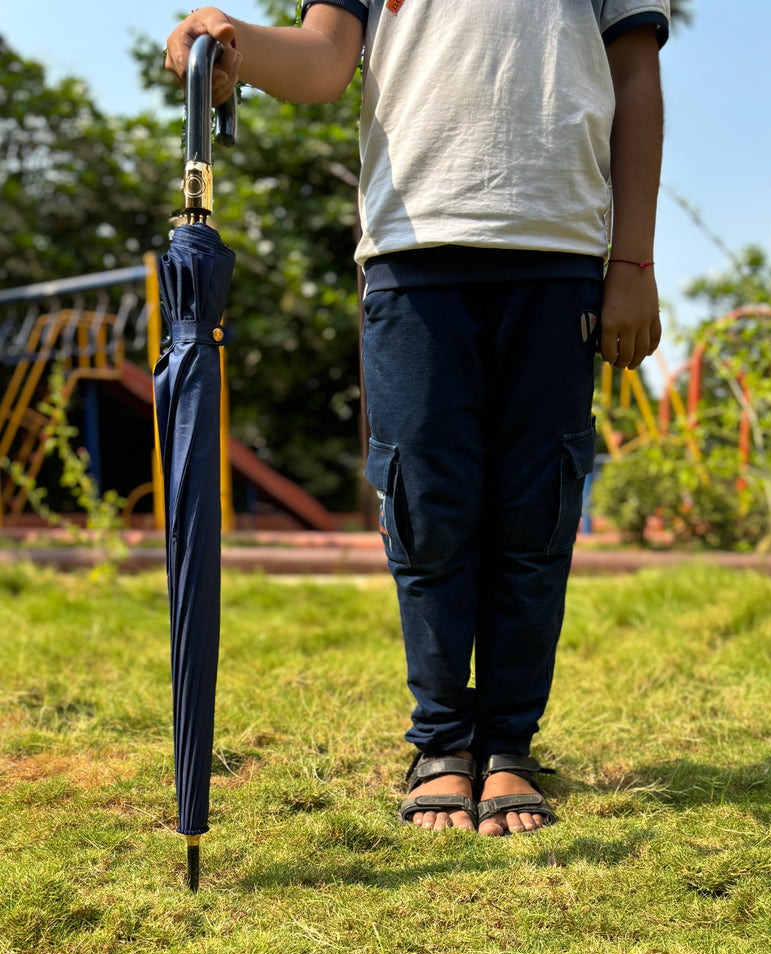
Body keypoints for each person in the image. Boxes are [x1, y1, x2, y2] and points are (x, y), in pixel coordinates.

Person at [165, 0, 668, 837]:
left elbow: (636, 76)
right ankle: (441, 744)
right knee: (425, 506)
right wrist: (238, 47)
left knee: (533, 511)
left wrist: (635, 260)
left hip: (560, 251)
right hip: (412, 251)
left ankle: (507, 744)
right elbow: (327, 59)